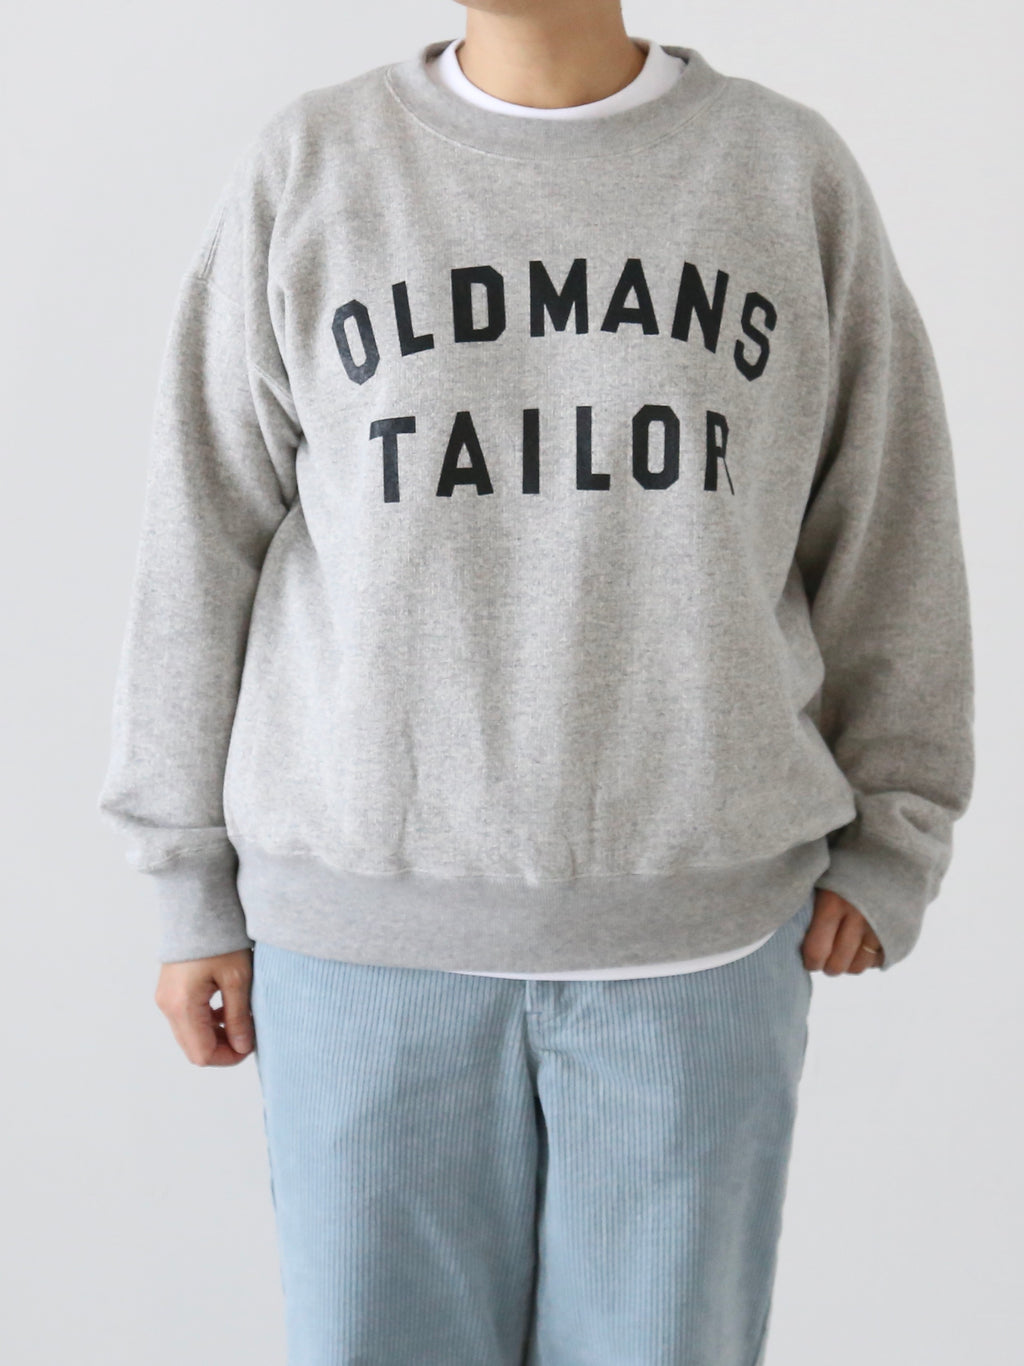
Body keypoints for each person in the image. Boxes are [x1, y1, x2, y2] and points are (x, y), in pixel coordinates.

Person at [97, 2, 975, 1362]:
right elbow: (201, 534)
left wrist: (899, 827)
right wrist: (184, 878)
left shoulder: (780, 173)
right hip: (362, 944)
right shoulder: (315, 165)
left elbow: (887, 514)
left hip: (696, 946)